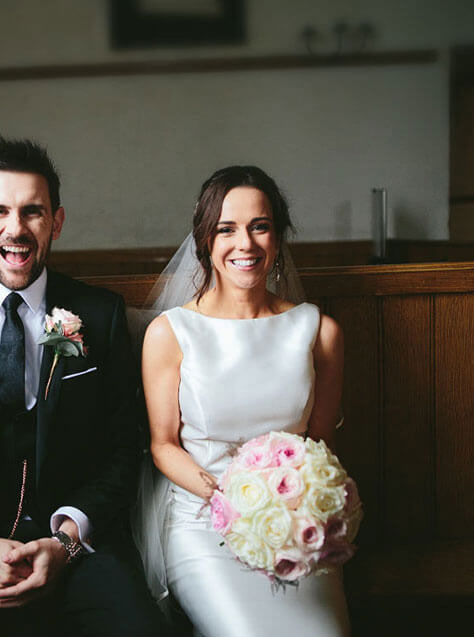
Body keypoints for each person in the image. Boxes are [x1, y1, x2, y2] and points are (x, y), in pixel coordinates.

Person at [0, 137, 168, 637]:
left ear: (56, 222)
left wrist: (64, 542)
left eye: (32, 212)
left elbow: (125, 449)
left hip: (77, 546)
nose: (15, 229)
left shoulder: (100, 316)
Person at [139, 166, 351, 636]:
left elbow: (319, 444)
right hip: (201, 523)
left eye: (260, 226)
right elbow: (163, 444)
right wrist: (229, 500)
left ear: (277, 236)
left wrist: (300, 507)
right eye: (226, 229)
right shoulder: (170, 333)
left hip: (293, 524)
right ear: (205, 240)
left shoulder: (319, 332)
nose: (246, 244)